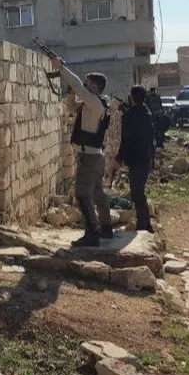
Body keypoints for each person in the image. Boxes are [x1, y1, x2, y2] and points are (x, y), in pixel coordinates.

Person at [51, 56, 117, 247]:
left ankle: (92, 233)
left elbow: (78, 85)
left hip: (90, 156)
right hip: (94, 155)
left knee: (82, 195)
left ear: (95, 87)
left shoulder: (95, 103)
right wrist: (71, 92)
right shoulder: (93, 103)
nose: (85, 87)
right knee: (97, 193)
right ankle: (106, 227)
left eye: (88, 84)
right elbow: (71, 108)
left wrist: (62, 68)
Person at [112, 85, 156, 233]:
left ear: (132, 98)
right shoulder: (147, 113)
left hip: (136, 160)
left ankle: (143, 225)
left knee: (137, 193)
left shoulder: (129, 117)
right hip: (146, 158)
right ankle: (146, 223)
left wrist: (119, 160)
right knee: (139, 191)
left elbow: (126, 141)